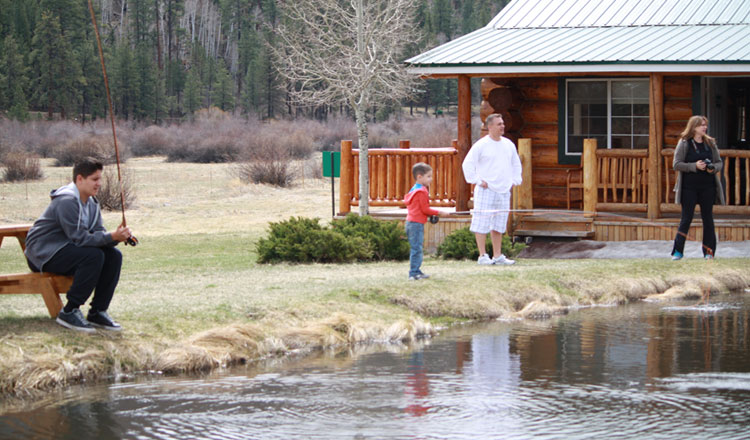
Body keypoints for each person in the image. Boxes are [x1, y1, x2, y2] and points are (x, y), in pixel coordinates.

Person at [25, 157, 132, 333]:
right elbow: (80, 238)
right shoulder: (66, 200)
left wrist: (117, 238)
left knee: (113, 255)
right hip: (43, 255)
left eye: (100, 179)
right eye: (94, 179)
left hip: (68, 251)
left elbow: (98, 232)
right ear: (80, 179)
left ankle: (97, 312)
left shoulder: (92, 202)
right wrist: (111, 236)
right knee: (93, 256)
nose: (99, 184)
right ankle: (70, 311)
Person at [462, 113, 522, 265]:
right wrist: (477, 180)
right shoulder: (481, 145)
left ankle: (497, 255)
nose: (502, 126)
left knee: (499, 224)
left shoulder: (508, 144)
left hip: (503, 190)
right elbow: (467, 164)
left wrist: (515, 180)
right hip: (486, 190)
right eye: (498, 124)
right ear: (489, 127)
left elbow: (516, 164)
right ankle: (482, 256)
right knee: (481, 223)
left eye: (502, 123)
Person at [671, 115, 725, 260]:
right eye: (701, 125)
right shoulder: (684, 143)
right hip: (689, 188)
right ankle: (678, 251)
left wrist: (712, 168)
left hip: (708, 187)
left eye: (705, 125)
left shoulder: (710, 143)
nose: (704, 127)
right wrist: (694, 166)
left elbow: (719, 163)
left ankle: (709, 252)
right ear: (694, 127)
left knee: (708, 219)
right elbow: (676, 164)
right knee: (686, 219)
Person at [404, 162, 443, 280]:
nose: (431, 179)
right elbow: (425, 209)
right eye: (429, 176)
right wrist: (439, 212)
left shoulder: (414, 189)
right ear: (419, 177)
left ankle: (417, 270)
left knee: (417, 248)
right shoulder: (422, 191)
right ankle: (414, 273)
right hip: (415, 224)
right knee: (417, 249)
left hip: (412, 223)